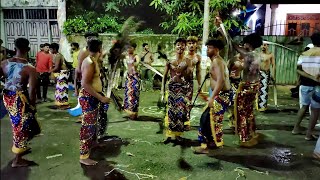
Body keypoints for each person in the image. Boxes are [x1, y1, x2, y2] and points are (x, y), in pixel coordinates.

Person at [0, 38, 41, 167]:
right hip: (19, 99)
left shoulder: (4, 63)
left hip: (7, 97)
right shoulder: (30, 69)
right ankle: (17, 159)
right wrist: (33, 106)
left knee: (17, 123)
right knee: (20, 127)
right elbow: (32, 90)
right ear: (28, 50)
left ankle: (21, 148)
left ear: (14, 47)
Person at [193, 39, 233, 154]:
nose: (207, 50)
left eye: (209, 48)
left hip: (222, 95)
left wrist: (212, 97)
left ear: (216, 49)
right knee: (209, 119)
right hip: (221, 94)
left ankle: (205, 146)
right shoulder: (217, 61)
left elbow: (220, 81)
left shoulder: (217, 61)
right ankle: (211, 143)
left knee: (205, 119)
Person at [79, 39, 110, 165]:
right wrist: (101, 98)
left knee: (94, 123)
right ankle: (83, 156)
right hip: (89, 97)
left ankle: (93, 143)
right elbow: (85, 84)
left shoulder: (93, 60)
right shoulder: (90, 62)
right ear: (100, 49)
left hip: (93, 97)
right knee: (87, 126)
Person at [233, 33, 263, 147]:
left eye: (244, 43)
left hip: (247, 86)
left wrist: (221, 28)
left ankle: (244, 138)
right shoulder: (257, 54)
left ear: (248, 43)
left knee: (241, 112)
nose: (243, 45)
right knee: (249, 111)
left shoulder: (249, 55)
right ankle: (252, 134)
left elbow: (234, 45)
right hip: (254, 85)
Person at [292, 33, 320, 141]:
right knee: (315, 110)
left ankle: (295, 128)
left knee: (304, 107)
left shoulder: (304, 54)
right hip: (317, 85)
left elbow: (298, 69)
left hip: (304, 84)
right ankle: (309, 134)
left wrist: (309, 76)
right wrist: (314, 78)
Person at [161, 38, 189, 143]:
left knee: (180, 112)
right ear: (175, 46)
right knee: (170, 112)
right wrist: (162, 91)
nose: (180, 47)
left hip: (182, 89)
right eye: (178, 45)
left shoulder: (187, 61)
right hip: (171, 88)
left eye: (182, 45)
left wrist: (183, 70)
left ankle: (178, 135)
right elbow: (164, 76)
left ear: (185, 47)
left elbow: (188, 77)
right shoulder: (169, 60)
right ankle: (168, 135)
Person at [74, 32, 99, 96]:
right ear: (86, 39)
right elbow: (78, 70)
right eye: (89, 38)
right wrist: (76, 89)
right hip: (87, 82)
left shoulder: (97, 51)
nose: (91, 39)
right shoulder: (84, 52)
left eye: (93, 38)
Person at [185, 36, 202, 130]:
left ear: (196, 45)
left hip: (190, 82)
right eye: (189, 43)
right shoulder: (183, 55)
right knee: (180, 102)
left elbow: (198, 72)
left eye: (193, 43)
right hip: (180, 82)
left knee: (188, 103)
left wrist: (199, 84)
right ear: (187, 45)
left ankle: (186, 121)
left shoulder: (197, 57)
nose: (191, 45)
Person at [227, 53, 245, 131]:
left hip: (239, 82)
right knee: (233, 101)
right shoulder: (232, 60)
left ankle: (237, 120)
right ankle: (232, 119)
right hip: (231, 82)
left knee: (239, 102)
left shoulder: (245, 60)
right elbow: (225, 70)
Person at [123, 42, 141, 120]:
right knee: (128, 95)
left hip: (135, 77)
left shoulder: (136, 56)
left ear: (134, 48)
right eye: (128, 47)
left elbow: (137, 63)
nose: (129, 49)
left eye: (130, 47)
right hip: (129, 77)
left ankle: (134, 113)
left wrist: (133, 62)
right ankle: (130, 112)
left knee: (134, 94)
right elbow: (126, 66)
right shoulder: (126, 57)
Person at [49, 43, 70, 109]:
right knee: (59, 90)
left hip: (62, 73)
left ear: (54, 49)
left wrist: (49, 71)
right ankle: (60, 103)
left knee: (61, 90)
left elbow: (57, 67)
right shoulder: (58, 55)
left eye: (51, 49)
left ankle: (63, 105)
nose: (50, 50)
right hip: (61, 73)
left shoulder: (58, 56)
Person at [256, 43, 276, 112]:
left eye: (264, 45)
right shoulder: (258, 54)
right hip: (259, 73)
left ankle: (263, 106)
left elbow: (273, 65)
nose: (263, 46)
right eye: (262, 45)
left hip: (266, 74)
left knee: (264, 90)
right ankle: (258, 106)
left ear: (267, 46)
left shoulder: (270, 54)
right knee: (258, 90)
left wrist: (273, 75)